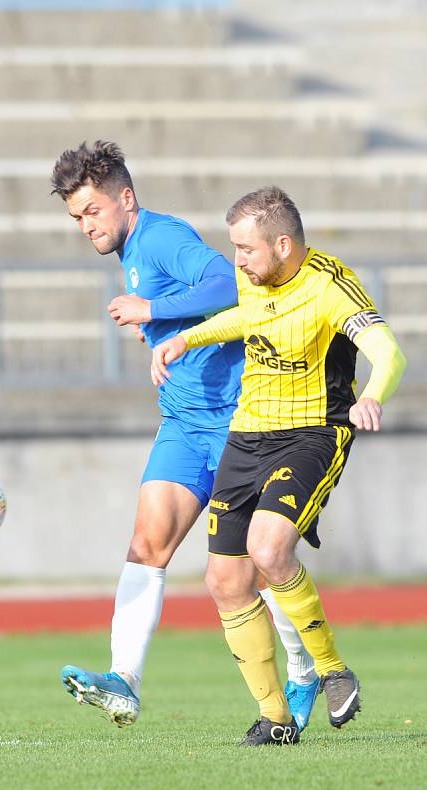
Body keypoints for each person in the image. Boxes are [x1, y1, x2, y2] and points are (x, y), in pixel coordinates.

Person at [50, 142, 320, 734]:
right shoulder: (132, 250)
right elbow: (191, 316)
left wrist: (151, 309)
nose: (85, 225)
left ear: (126, 198)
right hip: (183, 422)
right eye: (76, 216)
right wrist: (168, 333)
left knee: (253, 562)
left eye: (92, 210)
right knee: (148, 544)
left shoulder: (161, 237)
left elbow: (227, 284)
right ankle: (124, 680)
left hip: (235, 423)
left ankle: (302, 671)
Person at [152, 185, 407, 746]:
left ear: (283, 244)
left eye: (246, 249)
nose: (237, 260)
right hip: (248, 434)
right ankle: (277, 719)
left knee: (269, 551)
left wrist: (374, 395)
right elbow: (247, 318)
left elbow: (388, 350)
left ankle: (333, 670)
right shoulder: (255, 277)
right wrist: (185, 339)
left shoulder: (330, 286)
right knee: (225, 580)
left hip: (313, 432)